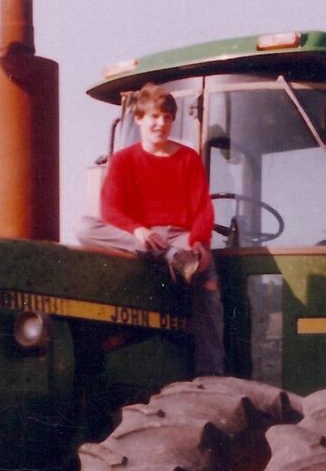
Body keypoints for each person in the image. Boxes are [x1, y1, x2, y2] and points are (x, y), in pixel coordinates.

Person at [77, 82, 225, 375]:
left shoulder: (187, 159)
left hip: (180, 235)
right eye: (155, 117)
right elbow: (110, 209)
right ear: (139, 119)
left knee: (207, 281)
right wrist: (137, 230)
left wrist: (198, 243)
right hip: (141, 236)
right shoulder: (123, 160)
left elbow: (202, 209)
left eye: (167, 118)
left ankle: (212, 374)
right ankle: (169, 256)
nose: (161, 124)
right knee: (84, 227)